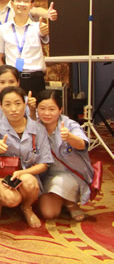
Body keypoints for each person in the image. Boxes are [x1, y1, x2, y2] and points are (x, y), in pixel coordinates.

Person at [0, 85, 53, 227]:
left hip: (25, 175)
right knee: (11, 199)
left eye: (17, 103)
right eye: (7, 104)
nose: (13, 109)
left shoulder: (38, 128)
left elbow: (44, 164)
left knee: (30, 182)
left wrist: (22, 173)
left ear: (25, 104)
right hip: (0, 176)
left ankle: (27, 207)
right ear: (1, 107)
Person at [37, 90, 95, 222]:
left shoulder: (69, 124)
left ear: (60, 109)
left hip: (71, 174)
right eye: (42, 108)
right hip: (46, 175)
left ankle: (70, 202)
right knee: (49, 213)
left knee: (59, 185)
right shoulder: (35, 126)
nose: (46, 113)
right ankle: (62, 198)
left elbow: (82, 144)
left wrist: (69, 137)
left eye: (52, 109)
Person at [0, 0, 50, 99]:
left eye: (26, 1)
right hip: (13, 79)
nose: (22, 4)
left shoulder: (38, 27)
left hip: (35, 79)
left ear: (32, 5)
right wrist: (5, 78)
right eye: (18, 0)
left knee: (36, 108)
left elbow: (46, 40)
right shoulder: (2, 29)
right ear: (12, 3)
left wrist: (44, 32)